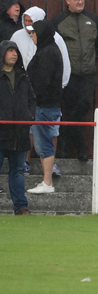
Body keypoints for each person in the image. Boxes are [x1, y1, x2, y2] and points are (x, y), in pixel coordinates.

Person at [51, 0, 98, 161]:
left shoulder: (93, 19)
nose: (80, 2)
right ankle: (79, 147)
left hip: (88, 74)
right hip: (68, 75)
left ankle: (67, 145)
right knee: (68, 109)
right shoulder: (58, 20)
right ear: (67, 1)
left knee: (82, 107)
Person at [24, 21, 64, 195]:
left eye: (34, 33)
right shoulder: (47, 50)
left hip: (44, 106)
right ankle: (46, 181)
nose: (32, 36)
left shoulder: (48, 53)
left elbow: (41, 82)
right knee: (43, 142)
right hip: (44, 105)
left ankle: (47, 181)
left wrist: (31, 98)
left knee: (44, 143)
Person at [0, 40, 35, 215]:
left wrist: (29, 117)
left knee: (18, 171)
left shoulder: (23, 76)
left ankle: (21, 207)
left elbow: (32, 99)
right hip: (2, 131)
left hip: (20, 131)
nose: (14, 54)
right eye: (10, 51)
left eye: (16, 51)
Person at [11, 7, 71, 87]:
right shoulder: (17, 36)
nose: (27, 24)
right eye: (25, 21)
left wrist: (63, 84)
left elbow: (64, 62)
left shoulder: (55, 38)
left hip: (46, 88)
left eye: (30, 21)